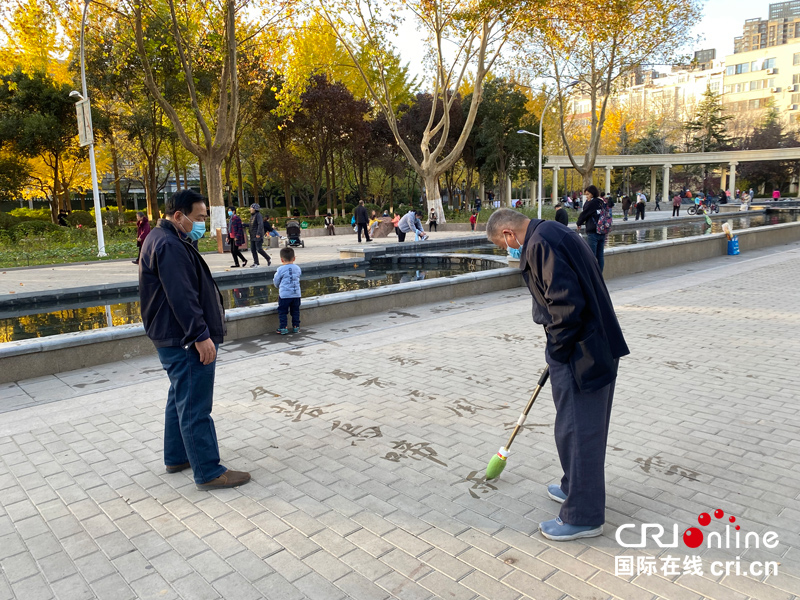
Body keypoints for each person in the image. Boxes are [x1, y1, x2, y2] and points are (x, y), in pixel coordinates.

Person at [485, 208, 629, 541]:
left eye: (503, 245)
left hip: (583, 352)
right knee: (573, 427)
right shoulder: (550, 232)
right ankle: (573, 487)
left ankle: (584, 515)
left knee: (580, 432)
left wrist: (557, 349)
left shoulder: (539, 244)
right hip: (588, 345)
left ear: (509, 234)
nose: (508, 251)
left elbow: (566, 305)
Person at [139, 189, 250, 491]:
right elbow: (182, 296)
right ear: (179, 216)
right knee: (195, 406)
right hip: (184, 339)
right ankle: (209, 471)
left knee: (180, 397)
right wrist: (200, 335)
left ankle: (177, 456)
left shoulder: (163, 239)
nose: (202, 223)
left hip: (172, 336)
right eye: (199, 217)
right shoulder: (169, 245)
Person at [575, 185, 608, 272]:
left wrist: (579, 223)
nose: (587, 196)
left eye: (588, 194)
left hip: (593, 232)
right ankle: (600, 274)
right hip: (602, 231)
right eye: (586, 194)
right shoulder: (601, 202)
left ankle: (593, 275)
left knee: (591, 255)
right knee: (600, 255)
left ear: (592, 194)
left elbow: (585, 214)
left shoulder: (591, 203)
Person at [273, 246, 302, 335]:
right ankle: (296, 327)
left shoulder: (280, 269)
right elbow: (298, 277)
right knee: (295, 311)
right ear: (294, 258)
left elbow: (276, 280)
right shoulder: (297, 268)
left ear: (282, 260)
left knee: (283, 311)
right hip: (296, 294)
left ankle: (283, 327)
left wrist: (277, 286)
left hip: (285, 295)